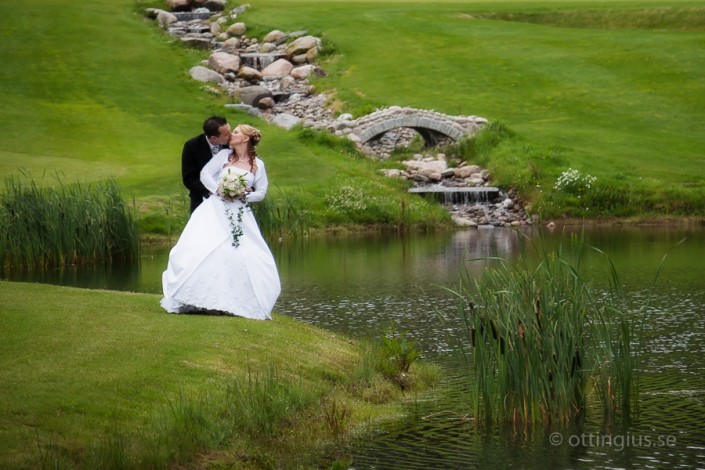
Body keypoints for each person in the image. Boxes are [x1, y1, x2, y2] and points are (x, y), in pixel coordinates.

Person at [161, 124, 281, 320]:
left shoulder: (258, 164)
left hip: (240, 213)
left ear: (245, 138)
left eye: (235, 132)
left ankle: (230, 301)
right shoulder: (223, 156)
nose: (230, 134)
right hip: (215, 209)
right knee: (203, 250)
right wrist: (219, 190)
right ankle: (201, 299)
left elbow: (261, 192)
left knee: (241, 255)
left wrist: (243, 195)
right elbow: (205, 174)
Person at [182, 116, 232, 213]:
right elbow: (189, 178)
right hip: (202, 197)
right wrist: (213, 191)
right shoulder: (192, 146)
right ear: (213, 138)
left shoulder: (232, 144)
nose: (231, 135)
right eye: (226, 134)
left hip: (231, 199)